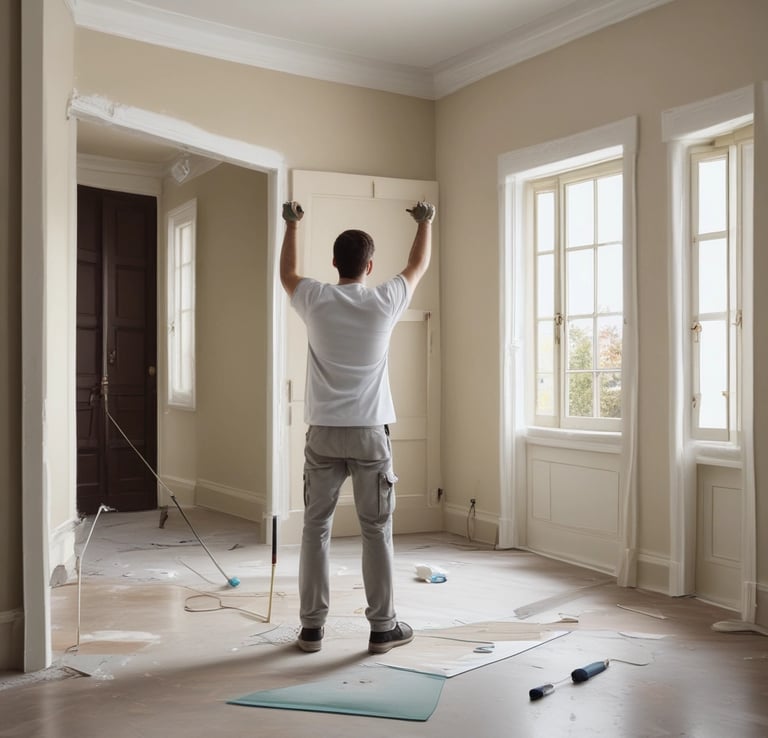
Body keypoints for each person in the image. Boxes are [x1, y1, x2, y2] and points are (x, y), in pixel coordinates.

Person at [279, 198, 435, 654]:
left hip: (323, 432)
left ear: (333, 263)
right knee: (376, 530)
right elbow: (417, 262)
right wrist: (425, 221)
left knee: (315, 528)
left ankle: (311, 629)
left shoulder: (315, 298)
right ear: (369, 265)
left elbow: (286, 273)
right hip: (370, 433)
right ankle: (382, 628)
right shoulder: (385, 299)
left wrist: (292, 224)